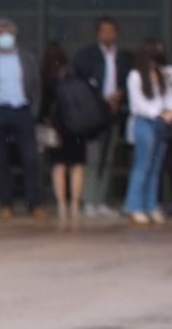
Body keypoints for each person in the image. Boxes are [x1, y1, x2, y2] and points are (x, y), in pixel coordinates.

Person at [0, 18, 45, 222]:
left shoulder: (27, 57)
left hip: (22, 112)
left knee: (30, 160)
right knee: (0, 160)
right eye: (0, 32)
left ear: (14, 35)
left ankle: (34, 205)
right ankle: (6, 204)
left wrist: (33, 111)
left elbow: (37, 86)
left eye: (8, 32)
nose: (4, 36)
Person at [73, 18, 133, 217]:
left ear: (116, 33)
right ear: (98, 33)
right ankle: (88, 201)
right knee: (93, 157)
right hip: (93, 113)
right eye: (104, 31)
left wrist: (120, 94)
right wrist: (98, 97)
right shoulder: (87, 55)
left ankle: (100, 201)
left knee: (107, 159)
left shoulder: (122, 57)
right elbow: (81, 83)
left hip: (113, 113)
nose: (108, 34)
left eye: (111, 31)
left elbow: (127, 83)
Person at [39, 40, 89, 225]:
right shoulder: (73, 73)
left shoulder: (45, 77)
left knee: (58, 166)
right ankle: (75, 203)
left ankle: (61, 204)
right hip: (77, 126)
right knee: (77, 165)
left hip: (56, 126)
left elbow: (42, 105)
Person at [122, 39, 170, 225]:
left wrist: (167, 111)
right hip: (144, 122)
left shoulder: (162, 73)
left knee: (155, 168)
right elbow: (139, 104)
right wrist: (159, 113)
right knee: (142, 165)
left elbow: (167, 95)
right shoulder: (135, 75)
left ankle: (149, 206)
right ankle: (134, 207)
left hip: (161, 123)